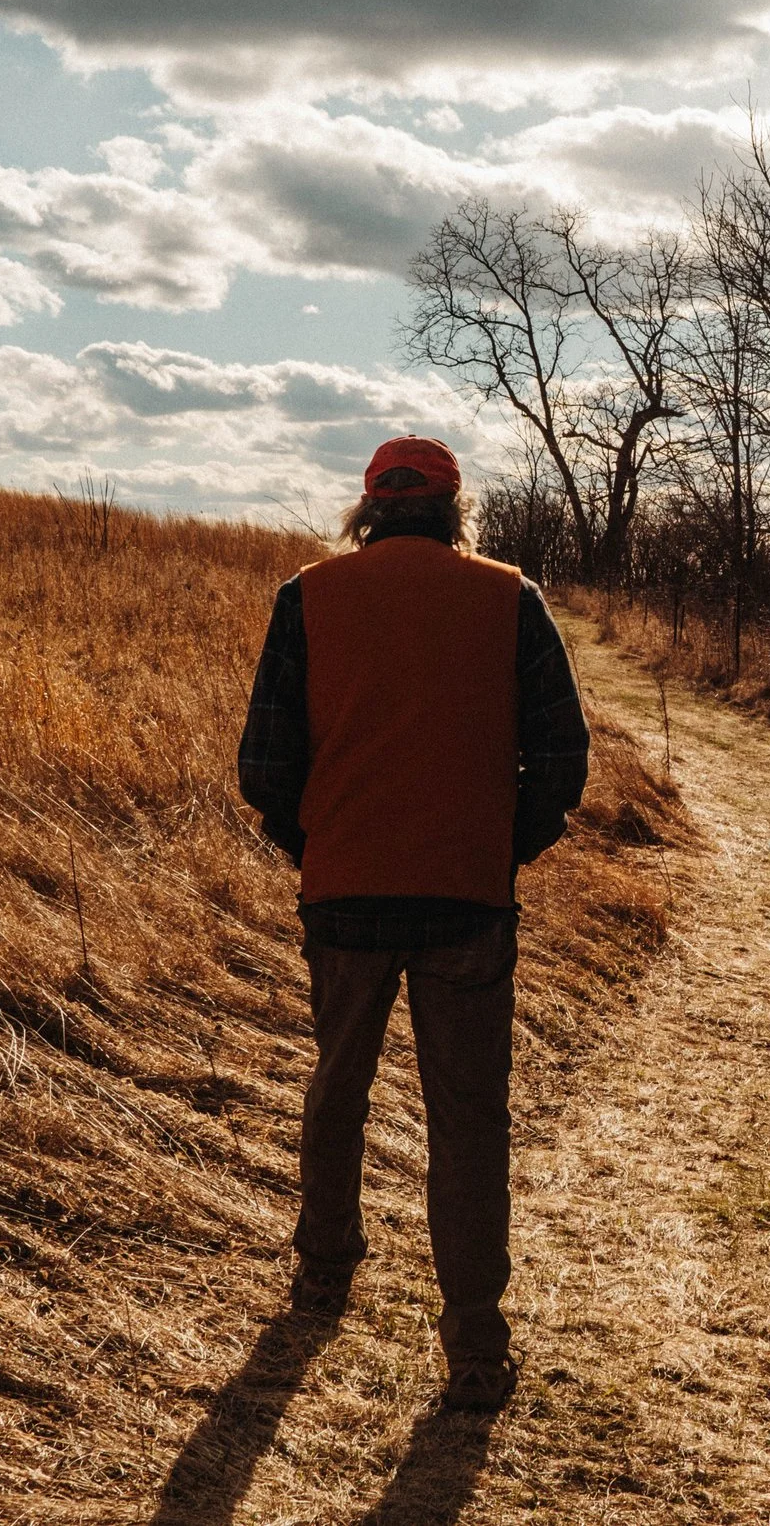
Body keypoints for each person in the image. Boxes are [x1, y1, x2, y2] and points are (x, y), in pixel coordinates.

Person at [237, 434, 589, 1415]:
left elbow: (263, 766)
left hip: (343, 891)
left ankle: (321, 1275)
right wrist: (496, 846)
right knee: (467, 1117)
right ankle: (474, 1343)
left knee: (337, 1086)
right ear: (452, 509)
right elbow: (562, 758)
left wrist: (319, 847)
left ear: (369, 509)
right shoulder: (508, 599)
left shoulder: (307, 597)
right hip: (467, 900)